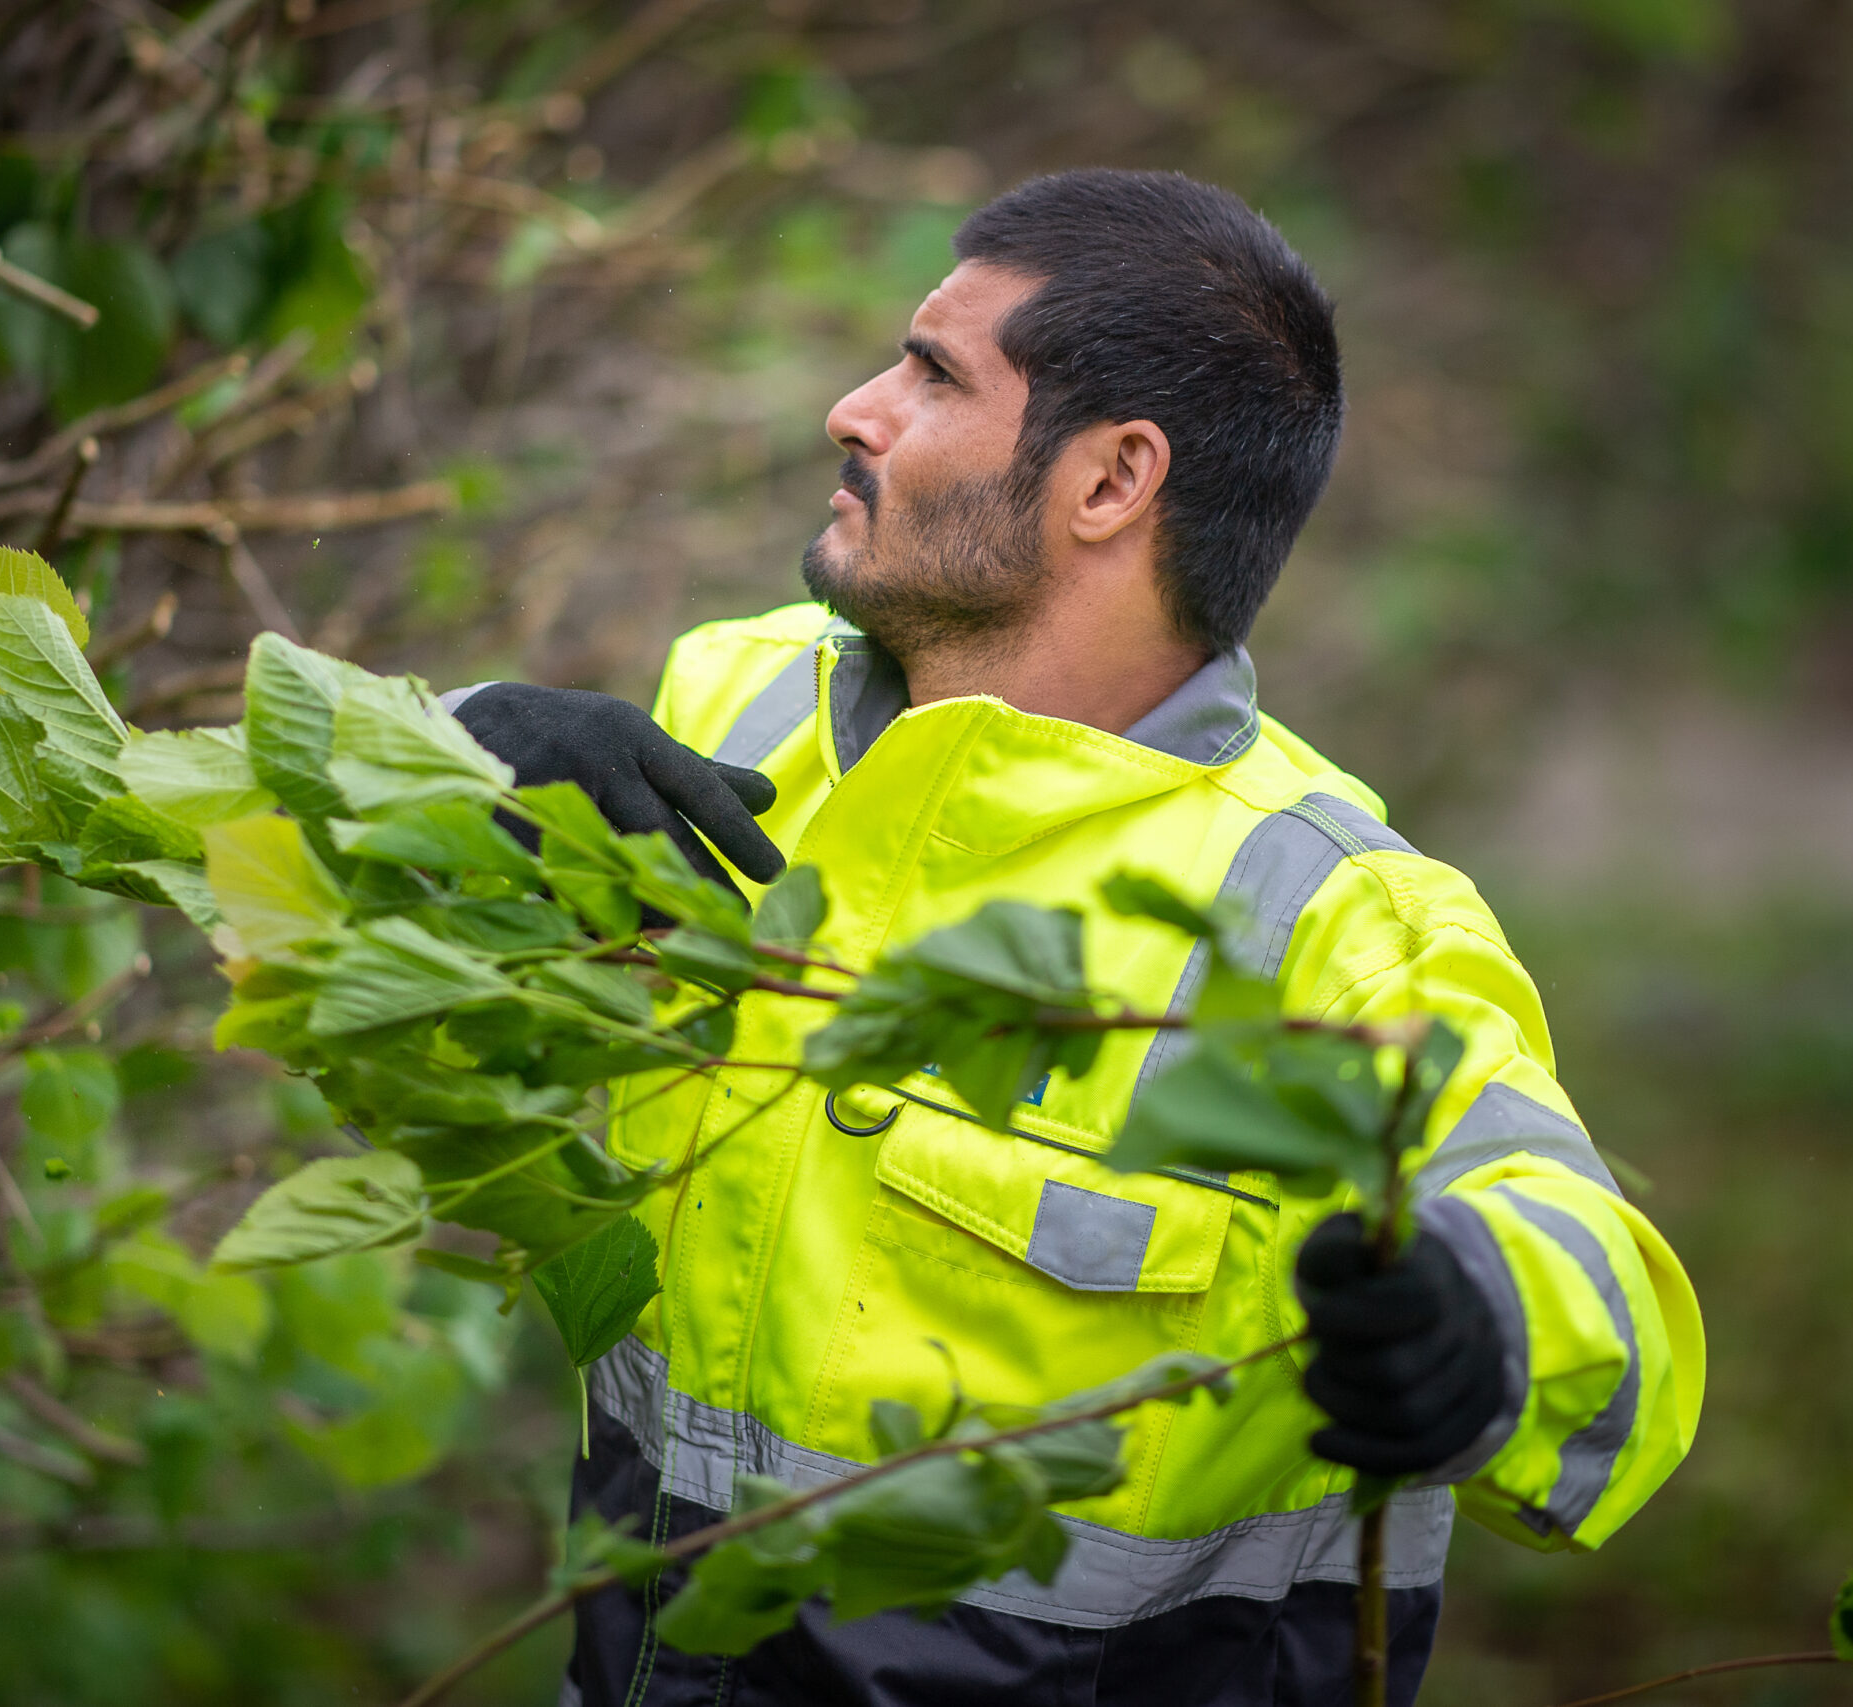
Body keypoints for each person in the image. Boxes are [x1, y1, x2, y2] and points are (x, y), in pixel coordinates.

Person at [446, 169, 1703, 1707]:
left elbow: (1600, 1310)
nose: (856, 410)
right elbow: (353, 954)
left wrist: (1485, 1322)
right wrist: (456, 752)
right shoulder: (731, 701)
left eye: (931, 374)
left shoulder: (1329, 914)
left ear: (1110, 482)